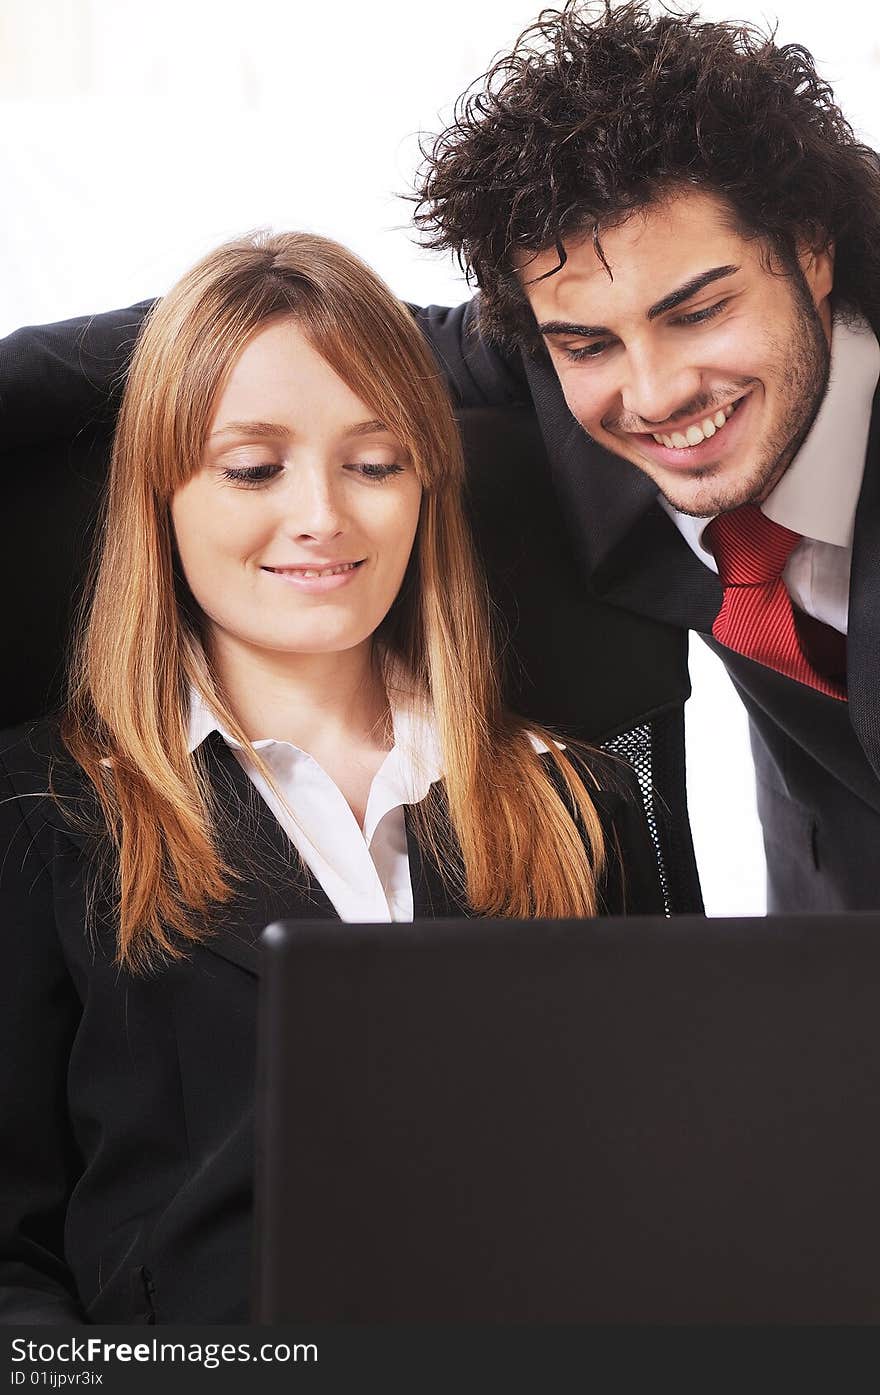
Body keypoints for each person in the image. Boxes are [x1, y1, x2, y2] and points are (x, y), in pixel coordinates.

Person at [0, 230, 663, 1325]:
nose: (322, 515)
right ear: (159, 495)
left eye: (374, 462)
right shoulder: (47, 814)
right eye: (253, 467)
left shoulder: (574, 800)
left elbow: (663, 1196)